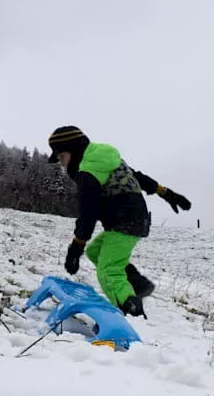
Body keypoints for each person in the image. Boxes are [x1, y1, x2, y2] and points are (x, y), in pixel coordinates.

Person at [46, 125, 192, 318]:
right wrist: (165, 192)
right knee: (95, 251)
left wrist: (76, 247)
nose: (62, 164)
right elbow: (136, 176)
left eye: (61, 157)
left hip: (123, 223)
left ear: (73, 150)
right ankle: (135, 283)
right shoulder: (105, 157)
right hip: (134, 220)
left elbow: (88, 213)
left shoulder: (87, 172)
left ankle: (130, 312)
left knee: (108, 271)